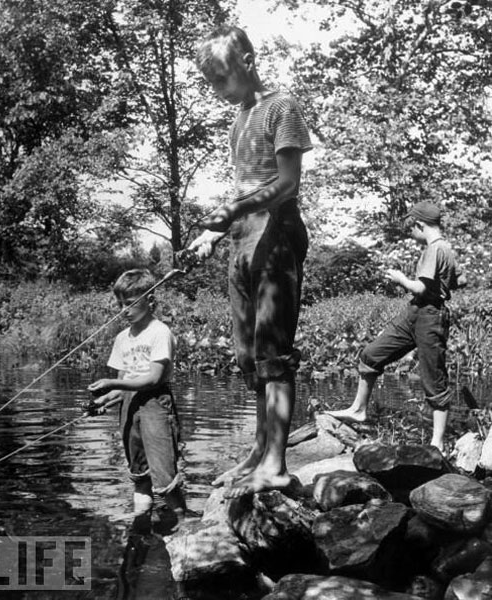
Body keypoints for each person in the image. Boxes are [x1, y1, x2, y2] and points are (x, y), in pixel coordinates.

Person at [189, 25, 312, 497]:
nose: (217, 90)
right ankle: (259, 450)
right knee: (247, 356)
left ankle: (276, 464)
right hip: (241, 240)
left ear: (247, 59)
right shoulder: (238, 119)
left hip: (276, 234)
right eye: (211, 83)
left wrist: (236, 210)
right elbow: (242, 187)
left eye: (222, 78)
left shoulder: (281, 107)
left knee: (273, 355)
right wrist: (209, 233)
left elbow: (287, 183)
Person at [327, 201, 465, 452]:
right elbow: (460, 281)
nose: (411, 234)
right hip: (415, 312)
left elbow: (420, 287)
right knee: (371, 354)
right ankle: (358, 410)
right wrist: (443, 283)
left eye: (411, 228)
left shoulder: (435, 248)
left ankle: (437, 442)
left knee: (434, 377)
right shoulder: (446, 248)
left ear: (420, 224)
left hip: (430, 315)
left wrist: (400, 278)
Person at [88, 269, 186, 520]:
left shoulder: (159, 332)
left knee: (165, 478)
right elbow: (123, 386)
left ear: (150, 301)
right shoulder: (122, 338)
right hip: (130, 407)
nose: (124, 310)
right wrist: (103, 401)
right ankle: (140, 529)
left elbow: (153, 378)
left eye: (130, 303)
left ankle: (184, 529)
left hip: (155, 404)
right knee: (139, 476)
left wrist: (110, 383)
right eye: (120, 304)